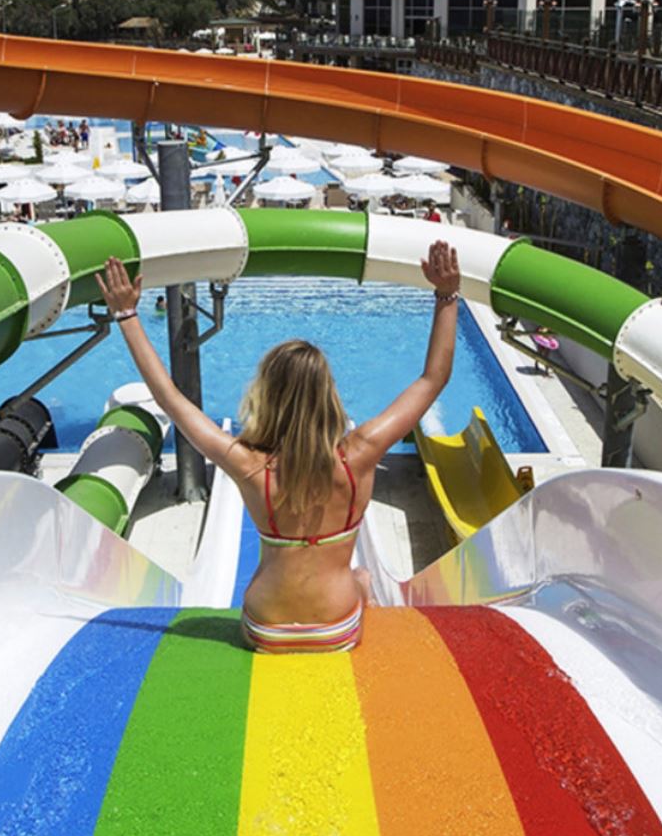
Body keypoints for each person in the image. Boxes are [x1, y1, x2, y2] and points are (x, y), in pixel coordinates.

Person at [98, 241, 462, 653]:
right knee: (361, 578)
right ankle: (364, 597)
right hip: (337, 630)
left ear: (266, 395)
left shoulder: (248, 464)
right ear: (328, 395)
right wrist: (446, 296)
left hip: (265, 629)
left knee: (308, 578)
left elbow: (169, 399)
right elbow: (433, 379)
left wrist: (127, 315)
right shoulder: (360, 453)